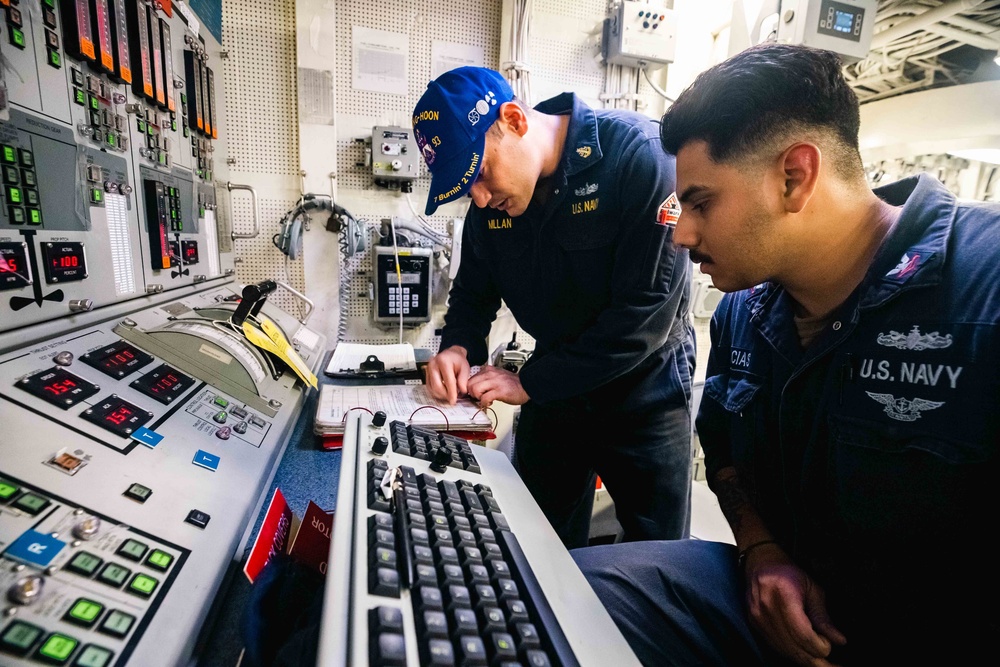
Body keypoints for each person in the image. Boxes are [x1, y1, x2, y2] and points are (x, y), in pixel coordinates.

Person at [571, 42, 1000, 666]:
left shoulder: (983, 292)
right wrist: (761, 550)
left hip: (935, 636)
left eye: (700, 202)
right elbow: (725, 453)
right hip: (775, 609)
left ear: (794, 177)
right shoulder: (744, 314)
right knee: (556, 593)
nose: (682, 232)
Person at [410, 67, 695, 549]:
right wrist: (458, 346)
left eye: (479, 174)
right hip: (556, 391)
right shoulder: (491, 207)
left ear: (515, 120)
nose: (478, 198)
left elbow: (644, 317)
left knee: (658, 555)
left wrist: (529, 382)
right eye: (466, 188)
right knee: (538, 539)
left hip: (645, 388)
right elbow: (474, 292)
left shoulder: (639, 158)